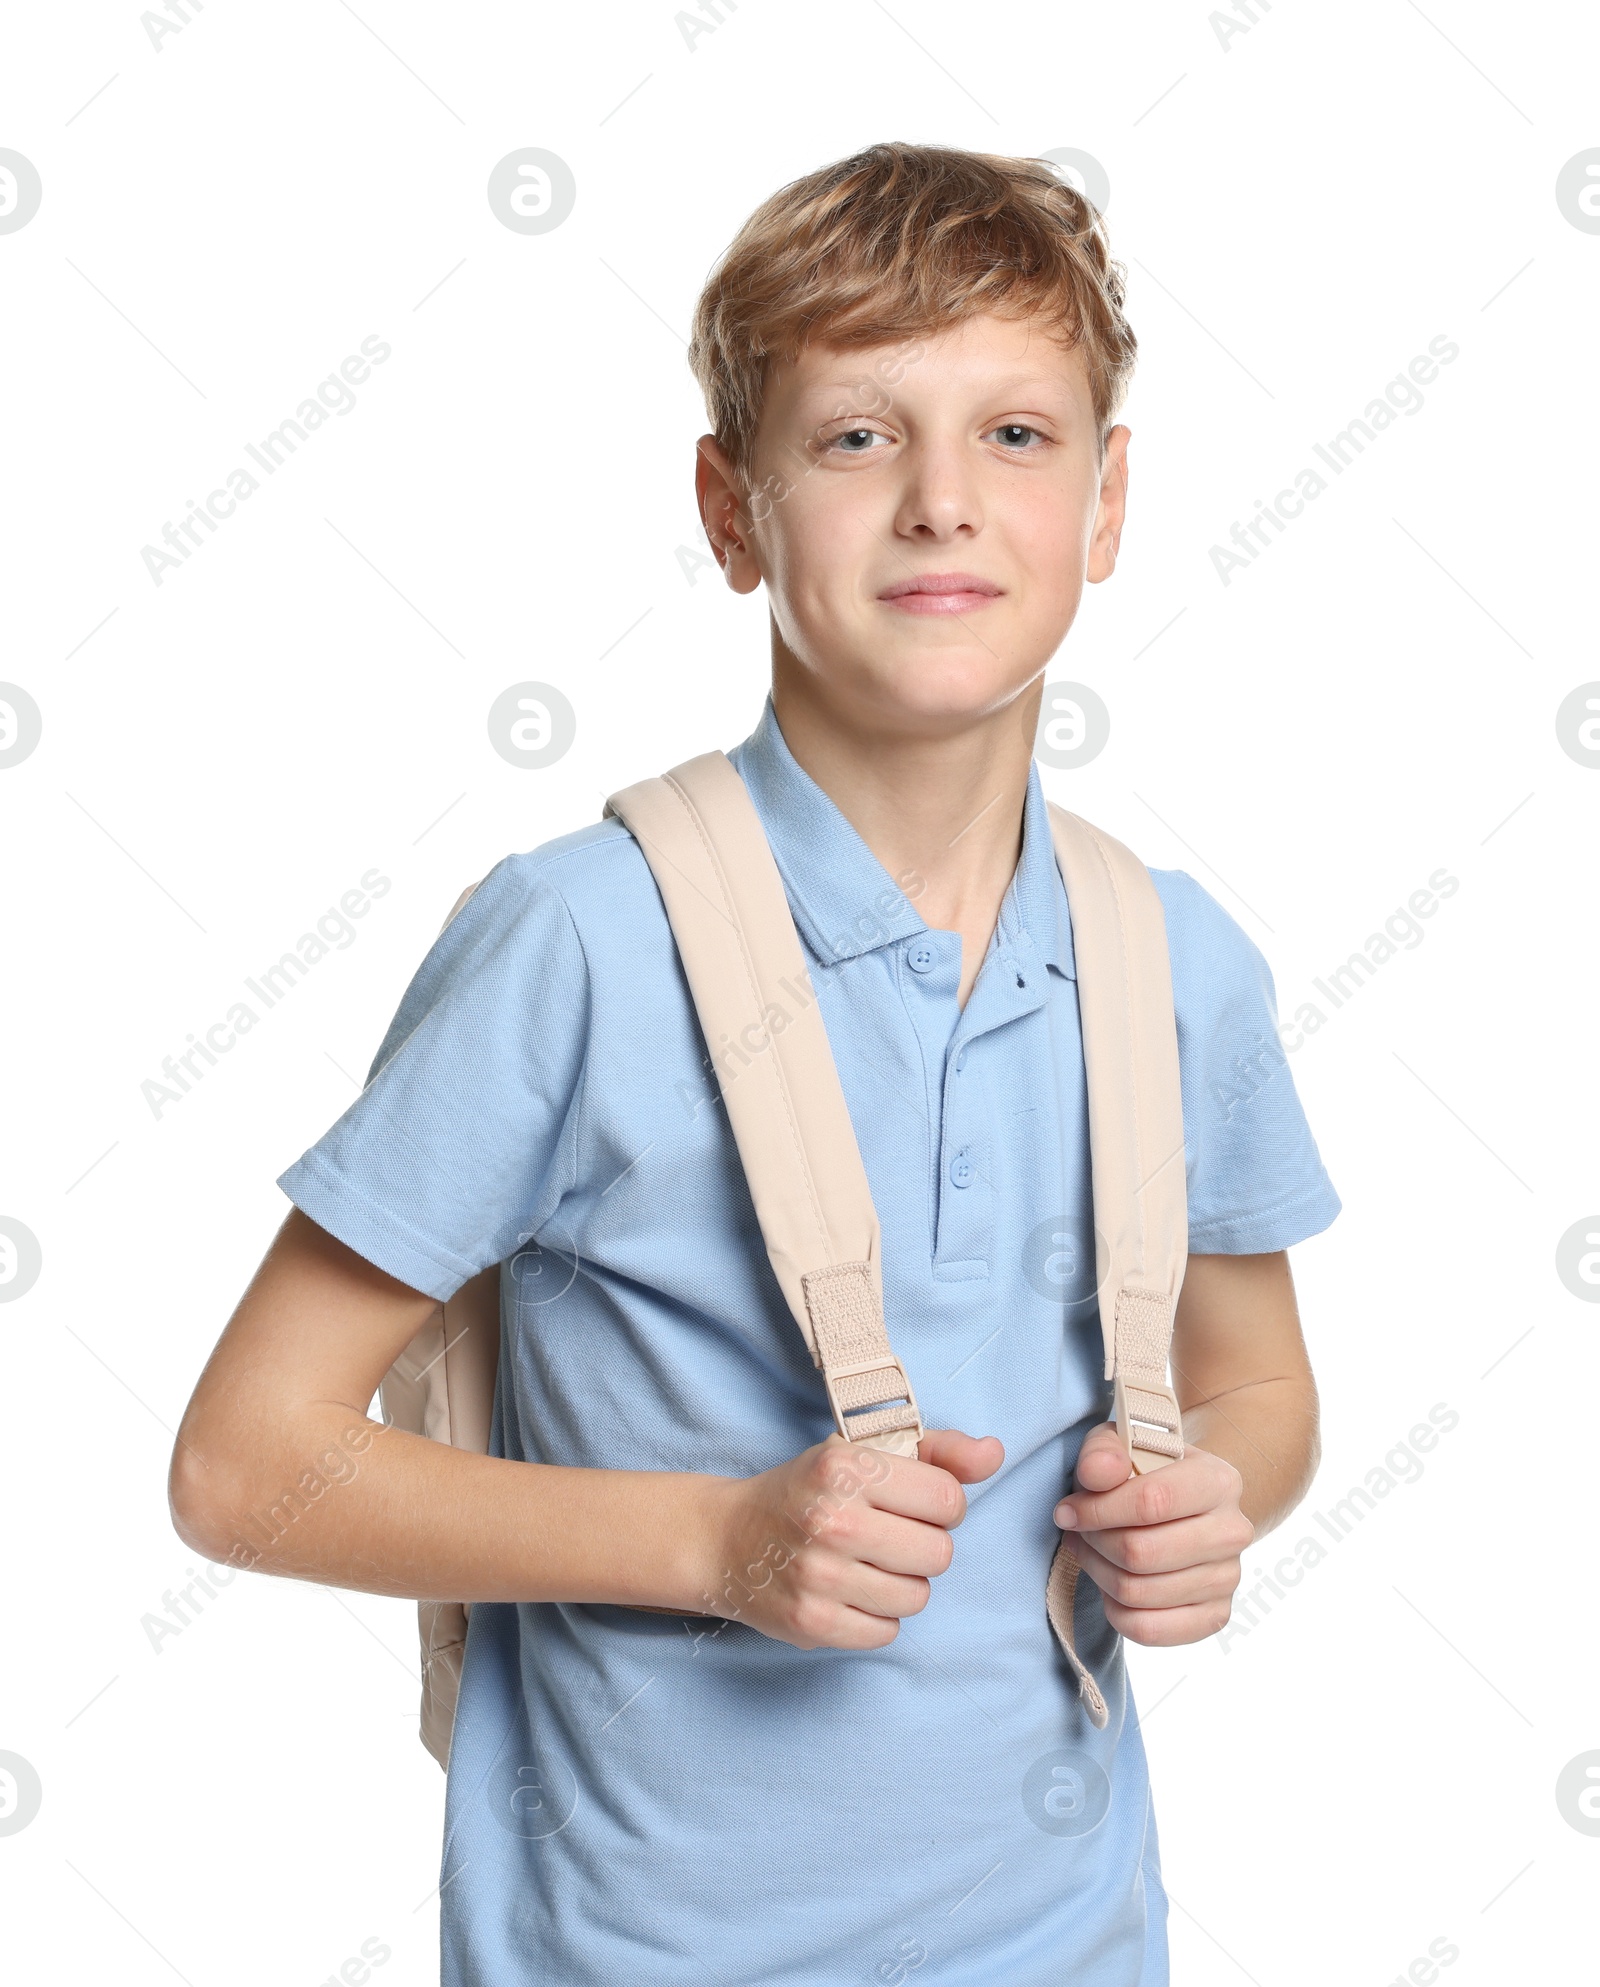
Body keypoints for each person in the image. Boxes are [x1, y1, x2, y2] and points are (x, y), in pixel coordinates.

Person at [171, 141, 1340, 1985]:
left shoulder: (1176, 961)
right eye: (859, 438)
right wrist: (717, 1542)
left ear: (1109, 506)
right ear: (732, 511)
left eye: (1018, 438)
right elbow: (245, 1464)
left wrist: (1213, 1497)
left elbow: (1258, 1384)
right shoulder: (578, 940)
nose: (944, 502)